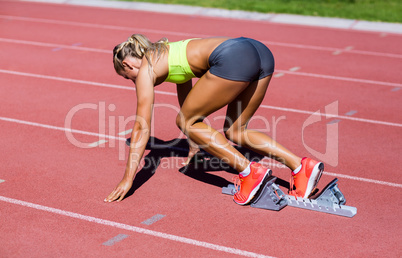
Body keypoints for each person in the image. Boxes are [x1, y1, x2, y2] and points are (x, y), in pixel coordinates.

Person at [104, 34, 324, 204]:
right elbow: (188, 99)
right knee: (236, 131)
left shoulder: (145, 69)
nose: (132, 81)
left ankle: (250, 172)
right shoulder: (167, 51)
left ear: (127, 66)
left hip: (234, 57)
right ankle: (300, 167)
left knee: (185, 121)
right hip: (257, 51)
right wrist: (193, 143)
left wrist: (128, 179)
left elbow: (142, 128)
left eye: (127, 78)